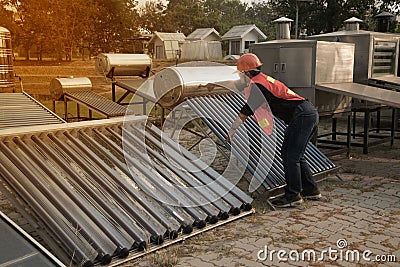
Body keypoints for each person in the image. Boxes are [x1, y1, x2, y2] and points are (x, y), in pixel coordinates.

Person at [227, 53, 321, 208]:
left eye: (241, 73)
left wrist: (232, 130)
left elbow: (248, 109)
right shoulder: (264, 79)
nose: (240, 77)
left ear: (247, 73)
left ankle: (293, 195)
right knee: (296, 155)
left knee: (290, 156)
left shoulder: (257, 85)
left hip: (302, 115)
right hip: (307, 112)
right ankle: (311, 190)